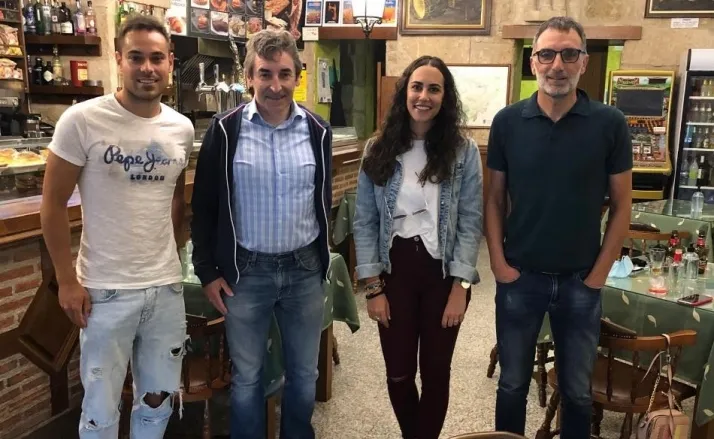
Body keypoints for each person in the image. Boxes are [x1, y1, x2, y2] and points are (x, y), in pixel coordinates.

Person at [40, 15, 194, 439]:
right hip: (105, 292)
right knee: (100, 409)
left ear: (170, 62)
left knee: (159, 401)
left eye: (156, 58)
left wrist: (173, 254)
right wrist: (66, 281)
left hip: (165, 289)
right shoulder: (82, 120)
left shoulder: (181, 129)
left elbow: (176, 198)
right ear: (118, 60)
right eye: (136, 57)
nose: (147, 68)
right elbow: (52, 205)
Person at [485, 16, 632, 439]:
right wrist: (498, 263)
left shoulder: (610, 124)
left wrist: (598, 275)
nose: (557, 65)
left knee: (577, 393)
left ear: (583, 62)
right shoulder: (507, 122)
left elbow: (622, 205)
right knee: (512, 384)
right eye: (547, 54)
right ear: (533, 62)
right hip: (520, 277)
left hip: (580, 281)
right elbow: (493, 199)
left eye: (569, 54)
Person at [190, 29, 332, 439]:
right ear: (250, 77)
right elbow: (204, 207)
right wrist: (207, 271)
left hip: (304, 269)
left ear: (297, 78)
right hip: (246, 272)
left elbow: (321, 201)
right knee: (248, 376)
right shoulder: (225, 131)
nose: (275, 85)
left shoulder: (317, 131)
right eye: (265, 74)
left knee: (304, 374)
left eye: (284, 74)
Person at [353, 55, 483, 439]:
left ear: (445, 97)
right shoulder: (378, 148)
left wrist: (461, 287)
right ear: (404, 92)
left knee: (436, 373)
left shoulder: (463, 151)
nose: (424, 96)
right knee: (398, 373)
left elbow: (471, 221)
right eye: (417, 87)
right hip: (394, 274)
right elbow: (364, 221)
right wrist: (373, 287)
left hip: (443, 275)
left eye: (434, 89)